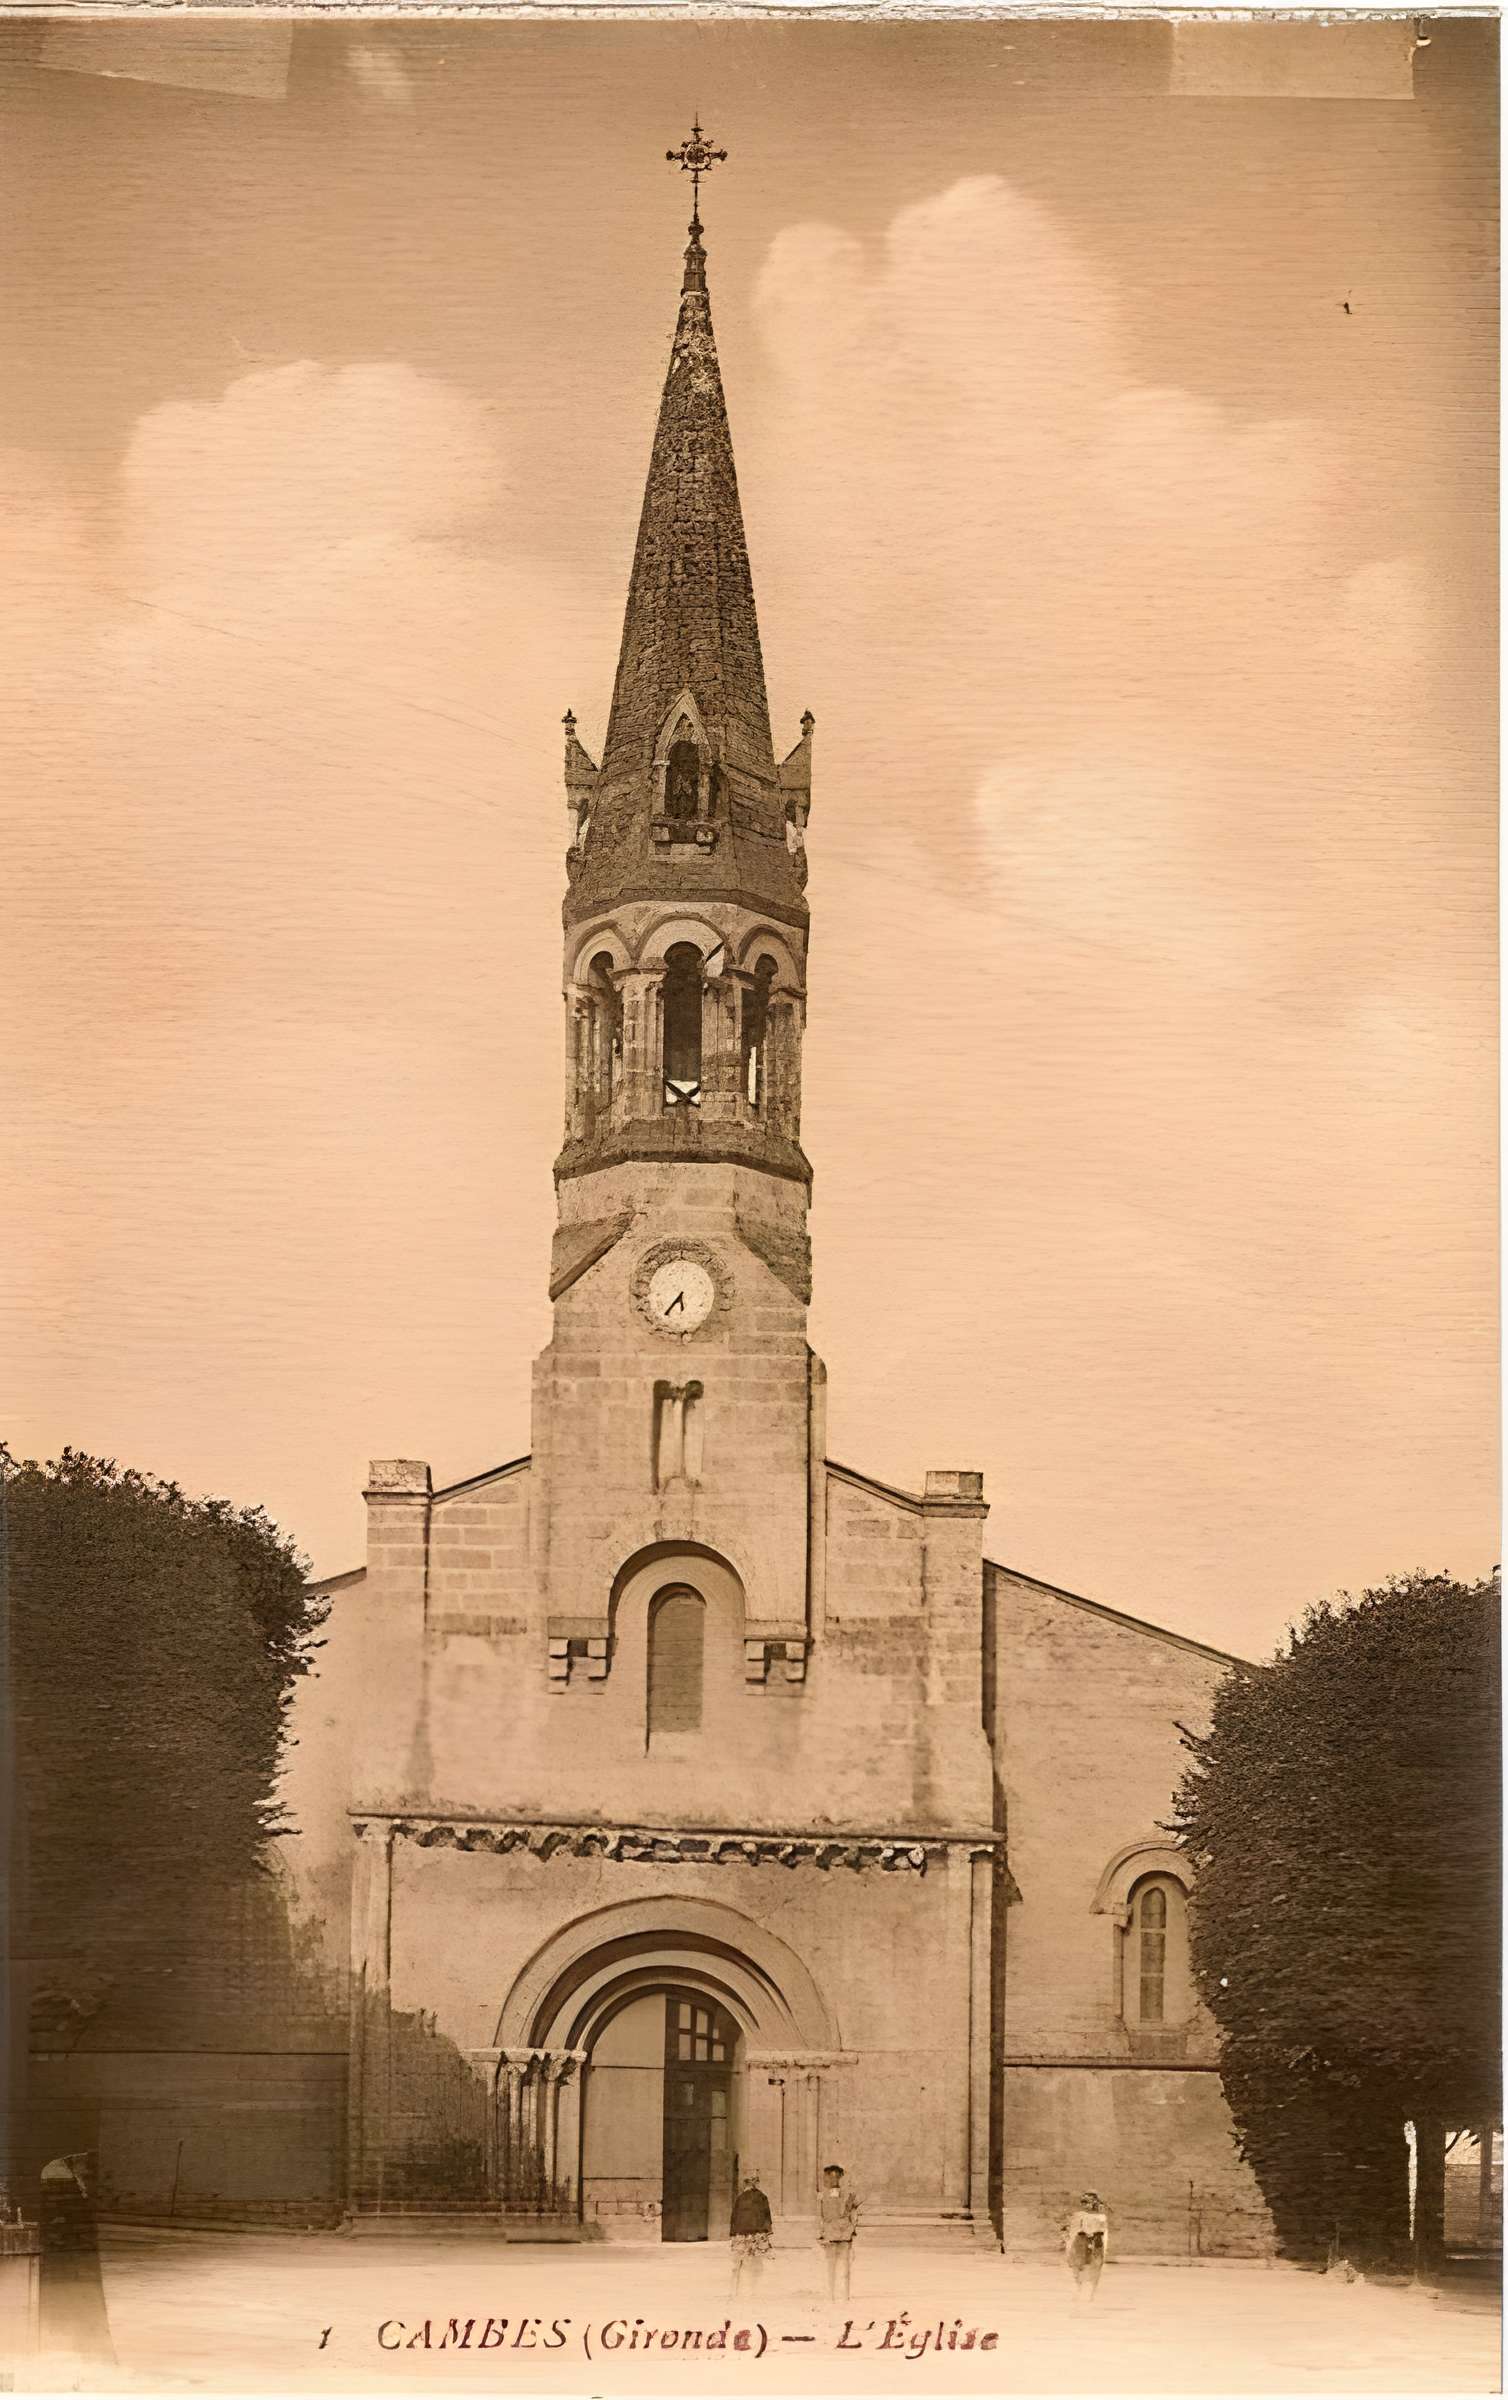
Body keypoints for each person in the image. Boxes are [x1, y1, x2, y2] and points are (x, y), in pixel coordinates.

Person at [816, 2162, 860, 2305]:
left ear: (840, 2177)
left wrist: (851, 2229)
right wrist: (820, 2232)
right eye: (829, 2176)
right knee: (832, 2266)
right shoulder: (822, 2196)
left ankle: (844, 2295)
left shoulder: (848, 2195)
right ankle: (832, 2295)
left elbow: (854, 2214)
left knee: (844, 2267)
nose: (832, 2179)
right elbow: (819, 2216)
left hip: (843, 2234)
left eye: (835, 2176)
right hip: (831, 2234)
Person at [729, 2170, 772, 2302]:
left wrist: (733, 2234)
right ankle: (752, 2291)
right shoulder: (761, 2197)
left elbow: (734, 2217)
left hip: (743, 2234)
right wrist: (766, 2233)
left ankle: (737, 2292)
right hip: (755, 2234)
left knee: (740, 2264)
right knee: (754, 2263)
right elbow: (767, 2217)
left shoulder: (741, 2198)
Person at [1064, 2189, 1109, 2300]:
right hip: (1081, 2241)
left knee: (1094, 2267)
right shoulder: (1078, 2215)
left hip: (1096, 2241)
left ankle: (1090, 2293)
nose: (1086, 2205)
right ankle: (1079, 2289)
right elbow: (1073, 2230)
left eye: (1089, 2202)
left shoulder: (1101, 2216)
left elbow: (1103, 2231)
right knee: (1078, 2266)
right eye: (1084, 2202)